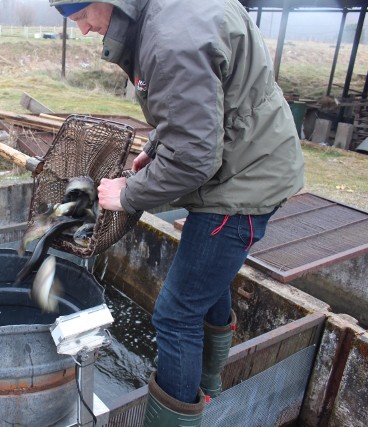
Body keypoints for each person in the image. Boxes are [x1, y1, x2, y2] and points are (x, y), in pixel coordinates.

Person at [50, 0, 304, 425]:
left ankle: (177, 416)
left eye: (81, 17)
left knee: (174, 314)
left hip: (241, 184)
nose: (83, 30)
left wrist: (128, 194)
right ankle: (209, 379)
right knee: (206, 281)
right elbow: (198, 107)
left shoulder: (169, 42)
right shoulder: (166, 14)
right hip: (253, 159)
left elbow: (195, 159)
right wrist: (152, 150)